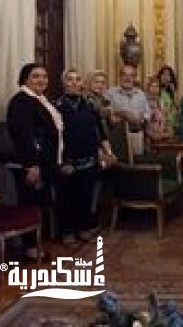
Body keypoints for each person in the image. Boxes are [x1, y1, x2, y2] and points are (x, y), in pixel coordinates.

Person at [6, 63, 62, 260]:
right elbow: (24, 136)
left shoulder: (39, 99)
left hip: (43, 163)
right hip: (31, 165)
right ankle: (30, 248)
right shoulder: (21, 101)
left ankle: (36, 243)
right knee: (30, 205)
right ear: (25, 79)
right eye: (36, 76)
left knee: (39, 204)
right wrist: (31, 165)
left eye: (44, 76)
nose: (41, 80)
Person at [55, 69, 114, 244]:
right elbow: (53, 138)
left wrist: (108, 153)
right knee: (67, 198)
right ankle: (67, 231)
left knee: (85, 196)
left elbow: (100, 132)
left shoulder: (89, 105)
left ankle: (83, 228)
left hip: (89, 159)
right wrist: (61, 162)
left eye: (77, 79)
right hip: (67, 161)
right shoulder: (56, 106)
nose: (74, 83)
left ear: (82, 83)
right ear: (63, 83)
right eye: (70, 79)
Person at [106, 64, 150, 155]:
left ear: (135, 78)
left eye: (131, 75)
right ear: (120, 77)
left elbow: (147, 114)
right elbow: (111, 117)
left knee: (138, 159)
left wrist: (141, 119)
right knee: (120, 161)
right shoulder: (111, 93)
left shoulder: (140, 94)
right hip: (118, 138)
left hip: (137, 135)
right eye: (124, 75)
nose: (127, 78)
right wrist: (124, 114)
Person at [157, 65, 179, 138]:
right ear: (160, 76)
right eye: (164, 74)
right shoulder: (156, 89)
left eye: (168, 75)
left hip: (172, 123)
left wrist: (174, 91)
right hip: (160, 123)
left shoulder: (172, 91)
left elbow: (178, 105)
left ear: (171, 78)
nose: (165, 77)